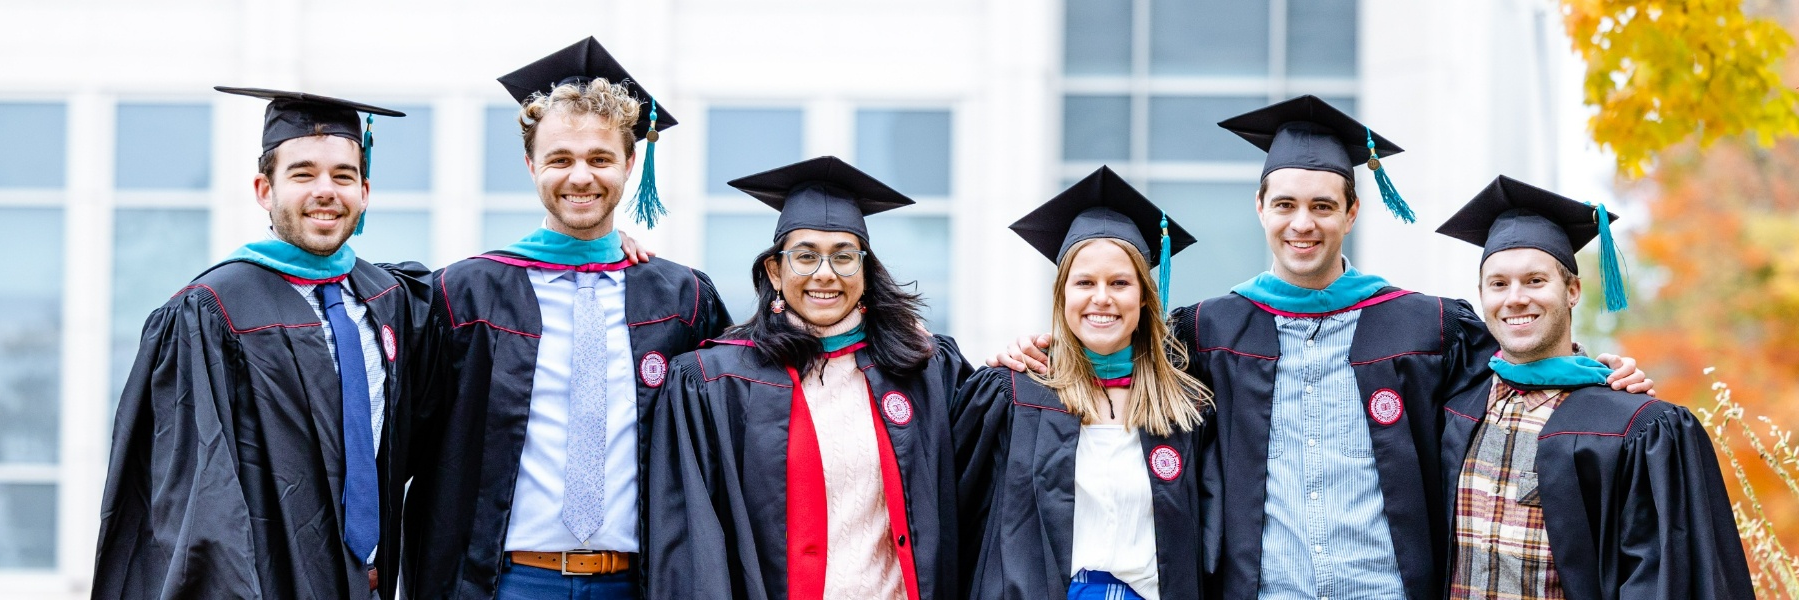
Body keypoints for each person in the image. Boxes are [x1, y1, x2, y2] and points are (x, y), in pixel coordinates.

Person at [993, 95, 1654, 600]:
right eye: (1285, 205)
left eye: (1322, 205)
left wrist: (1595, 375)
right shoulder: (1209, 330)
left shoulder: (1426, 326)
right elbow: (1116, 358)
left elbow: (1519, 378)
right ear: (1260, 208)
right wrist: (1034, 353)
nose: (1302, 223)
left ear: (1351, 212)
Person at [402, 37, 730, 600]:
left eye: (600, 159)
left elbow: (735, 426)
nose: (581, 177)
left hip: (639, 583)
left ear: (630, 164)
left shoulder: (681, 299)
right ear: (531, 165)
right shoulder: (463, 294)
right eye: (560, 159)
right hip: (503, 582)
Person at [95, 87, 427, 599]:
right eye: (303, 174)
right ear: (264, 190)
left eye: (343, 176)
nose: (325, 190)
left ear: (364, 191)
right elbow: (196, 500)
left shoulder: (388, 298)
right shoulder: (211, 312)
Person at [644, 156, 973, 600]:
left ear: (864, 272)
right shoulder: (715, 382)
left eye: (844, 257)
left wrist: (1034, 358)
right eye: (805, 256)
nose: (825, 273)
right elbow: (689, 544)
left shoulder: (924, 369)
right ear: (775, 272)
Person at [1434, 175, 1751, 599]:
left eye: (1535, 281)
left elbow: (1661, 580)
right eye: (1499, 284)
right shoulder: (1452, 406)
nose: (1515, 298)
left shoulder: (1632, 427)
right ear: (1481, 295)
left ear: (1572, 291)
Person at [954, 167, 1212, 600]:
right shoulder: (1012, 395)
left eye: (1120, 283)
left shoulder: (1186, 408)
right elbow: (957, 518)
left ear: (1144, 298)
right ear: (1063, 296)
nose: (1102, 297)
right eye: (1085, 282)